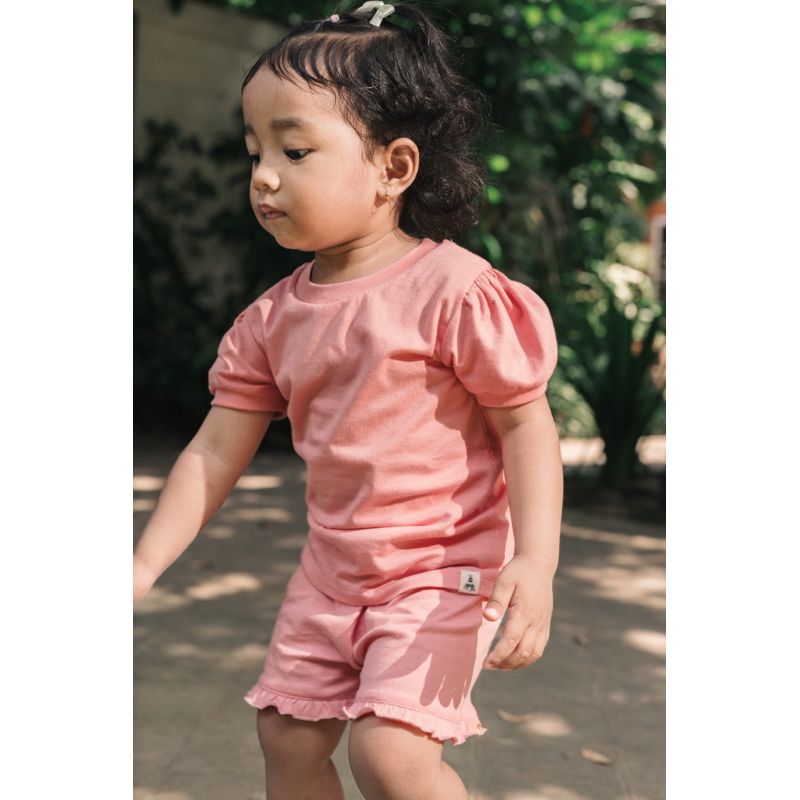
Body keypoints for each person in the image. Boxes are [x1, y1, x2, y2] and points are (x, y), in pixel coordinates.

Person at [133, 3, 563, 798]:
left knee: (391, 757)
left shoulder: (456, 293)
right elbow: (213, 452)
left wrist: (535, 561)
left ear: (394, 168)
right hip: (332, 575)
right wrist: (142, 562)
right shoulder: (271, 320)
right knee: (287, 736)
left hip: (443, 571)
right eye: (255, 152)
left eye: (294, 150)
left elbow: (525, 425)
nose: (264, 175)